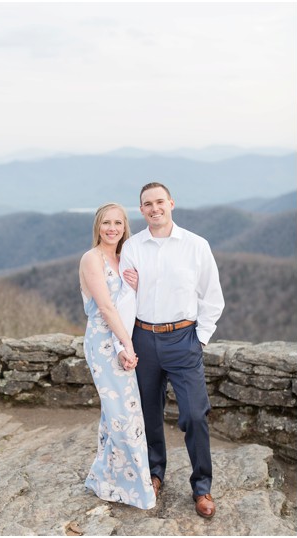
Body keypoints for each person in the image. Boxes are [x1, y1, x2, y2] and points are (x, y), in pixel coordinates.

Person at [116, 181, 225, 519]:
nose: (154, 208)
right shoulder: (132, 247)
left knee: (194, 414)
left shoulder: (196, 245)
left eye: (159, 201)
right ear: (141, 210)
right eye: (147, 204)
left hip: (183, 338)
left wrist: (200, 338)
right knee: (148, 412)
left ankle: (202, 487)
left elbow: (212, 297)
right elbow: (124, 297)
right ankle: (154, 473)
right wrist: (126, 342)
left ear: (171, 203)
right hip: (143, 338)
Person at [79, 202, 156, 509]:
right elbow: (107, 307)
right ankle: (130, 486)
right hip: (104, 343)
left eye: (118, 223)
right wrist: (127, 345)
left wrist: (138, 285)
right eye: (106, 223)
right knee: (123, 416)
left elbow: (131, 302)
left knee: (118, 414)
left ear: (125, 227)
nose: (112, 228)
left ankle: (107, 479)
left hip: (125, 337)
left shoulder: (125, 257)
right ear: (98, 226)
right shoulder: (92, 258)